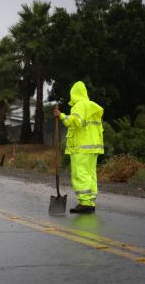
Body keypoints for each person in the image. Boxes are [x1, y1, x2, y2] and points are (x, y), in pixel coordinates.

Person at [53, 81, 104, 214]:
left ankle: (85, 203)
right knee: (90, 174)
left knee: (80, 173)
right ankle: (90, 202)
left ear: (74, 94)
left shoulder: (79, 106)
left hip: (81, 147)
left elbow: (76, 122)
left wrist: (61, 115)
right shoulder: (92, 106)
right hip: (93, 147)